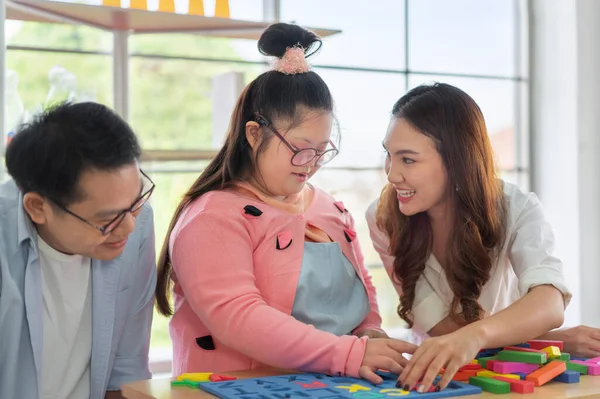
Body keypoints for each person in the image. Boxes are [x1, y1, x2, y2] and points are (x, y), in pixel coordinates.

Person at [154, 22, 416, 384]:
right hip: (233, 389)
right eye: (299, 148)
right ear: (254, 133)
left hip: (330, 386)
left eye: (322, 151)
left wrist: (370, 331)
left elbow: (362, 292)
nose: (310, 163)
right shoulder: (211, 216)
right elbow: (238, 317)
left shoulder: (330, 209)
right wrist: (347, 354)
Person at [366, 82, 576, 392]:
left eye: (408, 159)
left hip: (504, 379)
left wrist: (481, 336)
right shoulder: (383, 218)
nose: (392, 174)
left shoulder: (516, 207)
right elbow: (442, 329)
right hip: (445, 377)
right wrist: (542, 340)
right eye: (390, 155)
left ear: (456, 161)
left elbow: (549, 301)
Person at [0, 102, 157, 399]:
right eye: (106, 219)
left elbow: (126, 372)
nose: (128, 228)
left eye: (136, 201)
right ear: (37, 207)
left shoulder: (138, 222)